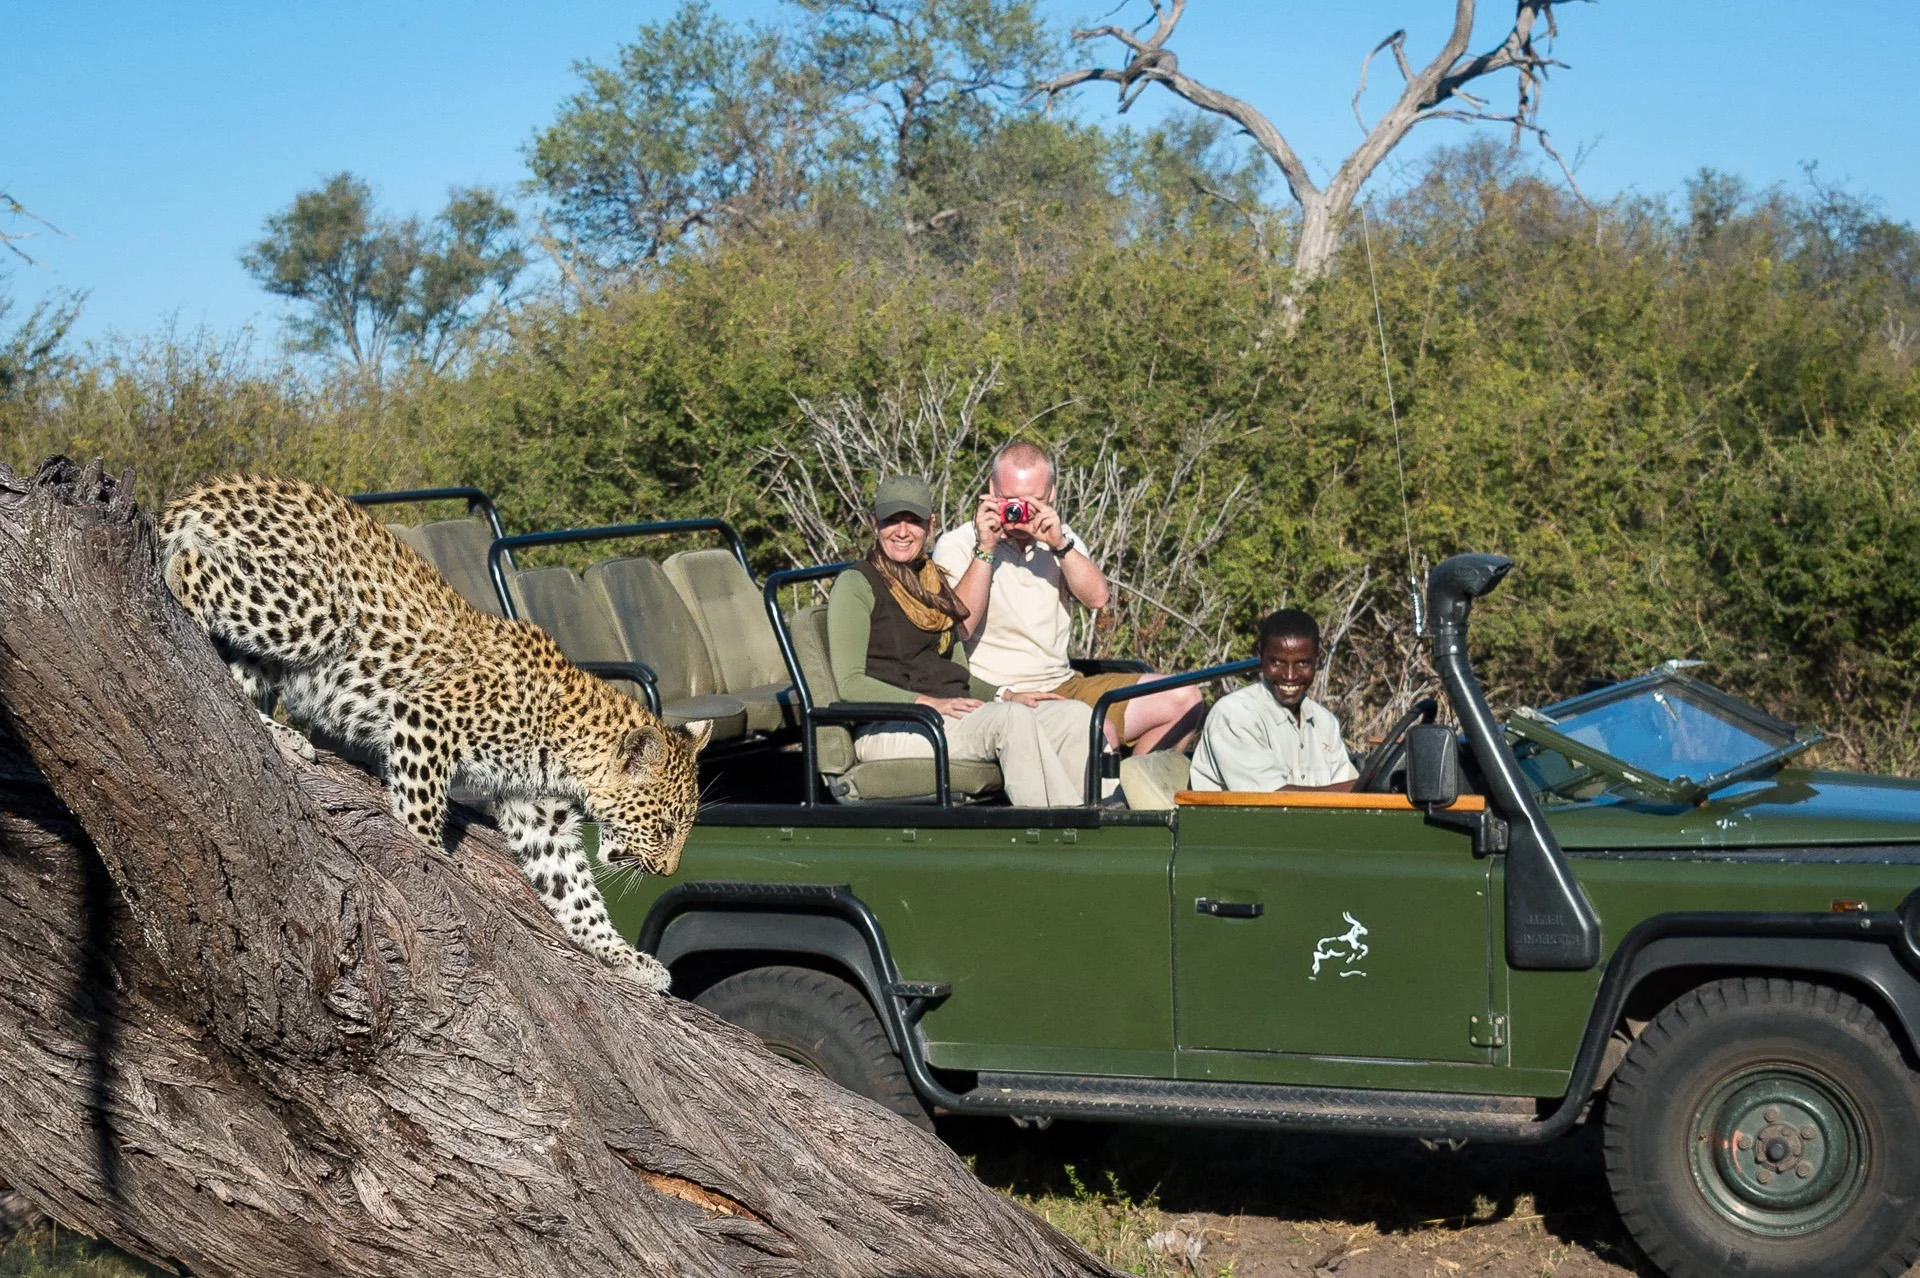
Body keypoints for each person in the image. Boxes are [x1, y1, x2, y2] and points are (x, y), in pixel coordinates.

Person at [827, 474, 1095, 807]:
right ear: (874, 524)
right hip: (894, 725)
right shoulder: (856, 583)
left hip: (945, 716)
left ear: (931, 524)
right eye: (891, 520)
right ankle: (1057, 833)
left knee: (1073, 716)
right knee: (1011, 720)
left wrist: (1005, 694)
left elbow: (954, 670)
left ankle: (1101, 824)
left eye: (913, 521)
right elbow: (850, 684)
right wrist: (924, 703)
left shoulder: (930, 580)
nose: (901, 531)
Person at [931, 440, 1203, 756]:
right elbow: (959, 627)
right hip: (1002, 695)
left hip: (1063, 685)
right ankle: (1107, 800)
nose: (1019, 514)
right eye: (1009, 501)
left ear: (1052, 495)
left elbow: (1098, 598)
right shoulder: (959, 544)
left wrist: (1060, 545)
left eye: (1032, 501)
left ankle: (1135, 792)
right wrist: (986, 549)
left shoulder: (1060, 537)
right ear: (991, 489)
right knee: (1098, 731)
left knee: (1185, 698)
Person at [1189, 608, 1358, 793]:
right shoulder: (1234, 715)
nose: (1290, 675)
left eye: (1303, 663)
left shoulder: (1325, 722)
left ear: (1318, 659)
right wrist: (1364, 788)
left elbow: (1348, 791)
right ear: (1260, 656)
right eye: (1277, 662)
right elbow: (1273, 802)